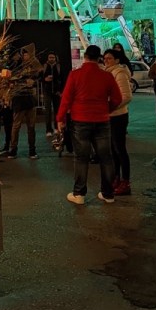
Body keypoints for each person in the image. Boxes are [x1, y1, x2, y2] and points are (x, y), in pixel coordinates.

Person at [57, 44, 123, 205]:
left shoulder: (75, 75)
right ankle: (108, 194)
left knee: (81, 158)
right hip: (102, 120)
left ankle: (79, 194)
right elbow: (117, 99)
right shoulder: (106, 76)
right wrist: (106, 110)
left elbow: (66, 99)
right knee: (106, 158)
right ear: (99, 58)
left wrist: (60, 119)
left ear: (85, 57)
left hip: (80, 120)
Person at [103, 48, 133, 195]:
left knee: (120, 149)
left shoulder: (119, 74)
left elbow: (126, 96)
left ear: (117, 60)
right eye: (104, 58)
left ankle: (125, 181)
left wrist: (111, 107)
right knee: (113, 150)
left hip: (118, 116)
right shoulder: (108, 73)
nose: (106, 61)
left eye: (109, 58)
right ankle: (116, 177)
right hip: (111, 115)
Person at [6, 48, 40, 160]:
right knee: (16, 126)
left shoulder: (33, 67)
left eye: (28, 55)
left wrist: (33, 82)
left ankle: (32, 149)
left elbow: (38, 77)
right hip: (19, 99)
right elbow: (10, 79)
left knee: (31, 126)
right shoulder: (16, 66)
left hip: (30, 99)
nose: (26, 57)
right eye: (24, 55)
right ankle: (13, 149)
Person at [40, 51, 65, 139]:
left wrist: (61, 91)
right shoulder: (44, 66)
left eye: (53, 57)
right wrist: (45, 79)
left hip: (57, 92)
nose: (51, 59)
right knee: (47, 112)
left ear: (55, 58)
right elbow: (40, 78)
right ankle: (48, 130)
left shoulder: (58, 66)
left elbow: (62, 78)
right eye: (50, 57)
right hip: (47, 92)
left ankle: (56, 128)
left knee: (57, 111)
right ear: (47, 58)